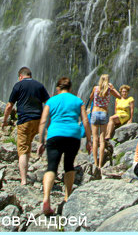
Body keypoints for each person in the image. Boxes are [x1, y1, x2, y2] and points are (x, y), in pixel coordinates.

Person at [37, 76, 92, 216]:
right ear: (70, 88)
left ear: (57, 88)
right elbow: (85, 120)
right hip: (73, 135)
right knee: (69, 165)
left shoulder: (51, 100)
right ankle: (67, 196)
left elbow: (43, 121)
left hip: (54, 134)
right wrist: (89, 140)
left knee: (51, 167)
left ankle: (46, 199)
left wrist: (41, 141)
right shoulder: (78, 100)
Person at [2, 66, 49, 185]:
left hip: (24, 121)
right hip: (38, 121)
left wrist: (4, 120)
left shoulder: (18, 85)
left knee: (23, 149)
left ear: (20, 76)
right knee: (37, 144)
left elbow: (9, 106)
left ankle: (23, 180)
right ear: (30, 75)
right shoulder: (39, 85)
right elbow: (49, 103)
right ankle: (50, 169)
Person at [88, 74, 120, 173]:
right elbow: (119, 96)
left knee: (95, 139)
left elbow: (90, 98)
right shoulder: (109, 90)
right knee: (102, 140)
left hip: (94, 112)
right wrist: (113, 88)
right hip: (104, 113)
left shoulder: (95, 88)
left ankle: (95, 163)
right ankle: (100, 164)